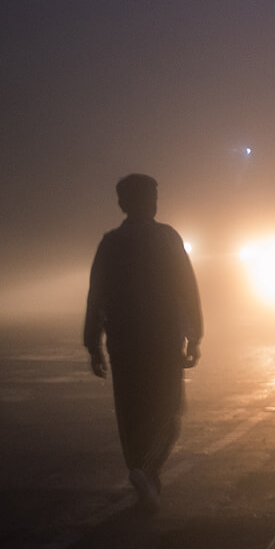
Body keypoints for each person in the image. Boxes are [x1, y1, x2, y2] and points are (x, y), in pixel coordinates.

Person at [84, 174, 202, 512]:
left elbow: (97, 296)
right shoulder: (167, 239)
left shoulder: (111, 243)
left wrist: (93, 343)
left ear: (122, 204)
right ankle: (148, 469)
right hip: (164, 340)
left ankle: (139, 469)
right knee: (168, 409)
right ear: (150, 202)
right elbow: (187, 288)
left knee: (131, 411)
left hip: (124, 343)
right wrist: (194, 336)